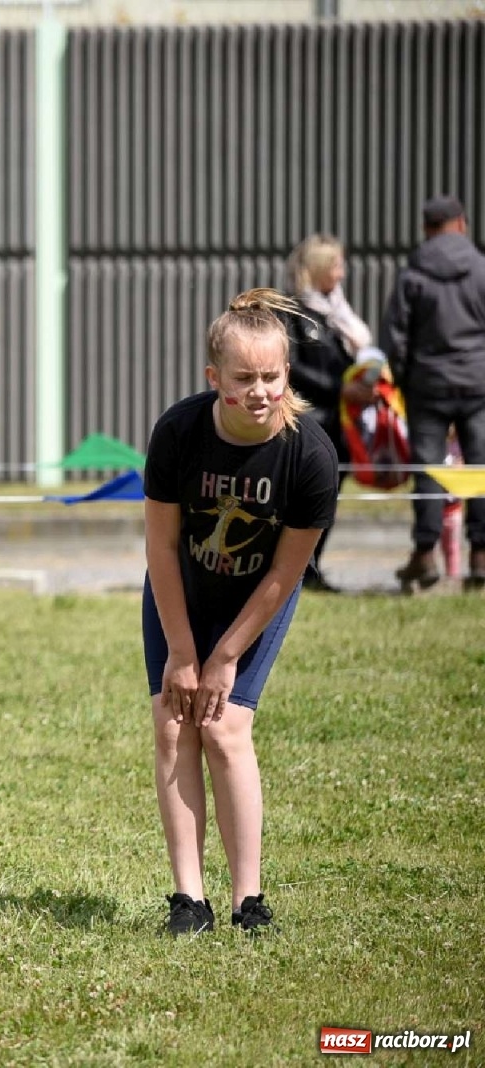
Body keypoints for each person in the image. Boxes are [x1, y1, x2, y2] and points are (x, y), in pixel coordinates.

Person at [142, 289, 340, 935]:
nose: (260, 391)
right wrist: (181, 650)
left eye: (272, 377)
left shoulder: (309, 457)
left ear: (288, 375)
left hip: (259, 598)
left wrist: (225, 656)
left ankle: (247, 902)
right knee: (175, 725)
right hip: (182, 590)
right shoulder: (178, 431)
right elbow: (162, 546)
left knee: (225, 730)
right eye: (244, 378)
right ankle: (188, 901)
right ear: (214, 379)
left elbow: (286, 572)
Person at [380, 195, 485, 593]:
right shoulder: (481, 269)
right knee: (480, 468)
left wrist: (407, 381)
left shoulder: (413, 274)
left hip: (428, 385)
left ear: (426, 228)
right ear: (462, 224)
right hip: (478, 383)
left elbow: (396, 337)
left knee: (426, 469)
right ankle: (481, 554)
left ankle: (425, 555)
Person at [281, 234, 379, 592]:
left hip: (339, 423)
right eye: (336, 265)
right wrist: (340, 388)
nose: (342, 273)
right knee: (304, 499)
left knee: (327, 498)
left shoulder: (338, 316)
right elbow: (291, 365)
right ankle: (295, 571)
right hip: (309, 421)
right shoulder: (293, 312)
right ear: (319, 268)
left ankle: (310, 568)